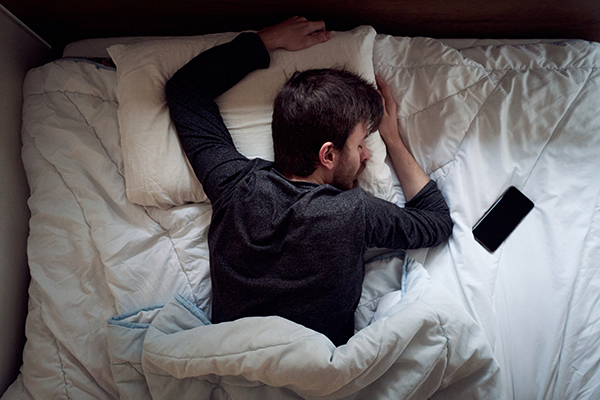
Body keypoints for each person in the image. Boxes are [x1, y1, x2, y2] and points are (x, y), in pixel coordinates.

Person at [165, 17, 453, 346]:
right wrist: (393, 139)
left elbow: (186, 90)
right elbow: (436, 221)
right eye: (360, 144)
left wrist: (264, 41)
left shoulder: (234, 185)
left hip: (233, 361)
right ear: (328, 155)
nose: (366, 156)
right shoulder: (354, 212)